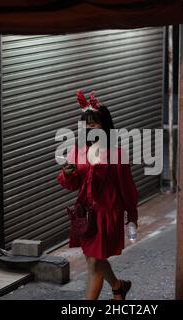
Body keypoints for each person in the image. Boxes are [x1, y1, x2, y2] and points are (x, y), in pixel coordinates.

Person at [57, 90, 139, 300]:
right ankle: (118, 286)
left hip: (107, 213)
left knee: (94, 261)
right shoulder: (76, 150)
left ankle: (110, 291)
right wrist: (68, 174)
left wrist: (132, 216)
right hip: (85, 215)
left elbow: (127, 187)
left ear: (104, 126)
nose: (88, 128)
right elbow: (71, 184)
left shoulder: (116, 152)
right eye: (85, 124)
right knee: (93, 261)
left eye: (93, 124)